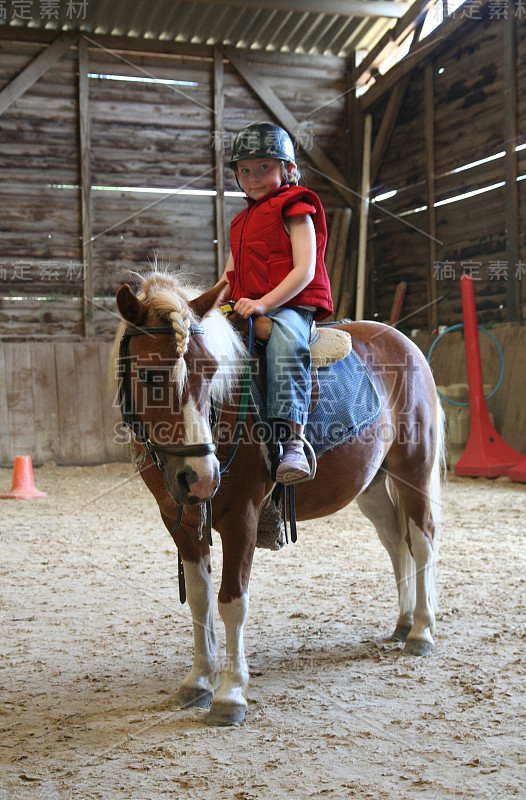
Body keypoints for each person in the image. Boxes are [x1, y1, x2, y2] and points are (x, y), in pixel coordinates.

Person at [216, 121, 333, 483]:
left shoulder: (296, 208)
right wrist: (204, 306)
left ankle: (294, 441)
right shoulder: (240, 223)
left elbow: (304, 269)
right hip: (248, 303)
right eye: (245, 170)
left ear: (289, 170)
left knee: (284, 343)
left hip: (290, 305)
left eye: (264, 168)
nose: (253, 178)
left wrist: (265, 304)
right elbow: (227, 278)